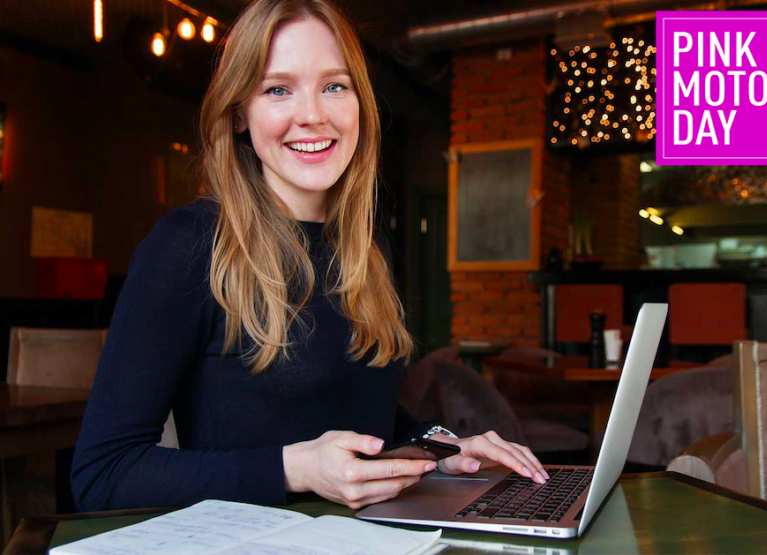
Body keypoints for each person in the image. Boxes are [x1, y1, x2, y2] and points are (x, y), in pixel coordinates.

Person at [71, 0, 547, 512]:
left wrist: (442, 447)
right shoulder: (187, 245)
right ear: (238, 113)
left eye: (334, 86)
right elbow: (102, 474)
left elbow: (365, 419)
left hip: (375, 538)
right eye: (277, 89)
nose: (314, 115)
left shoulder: (366, 247)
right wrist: (292, 470)